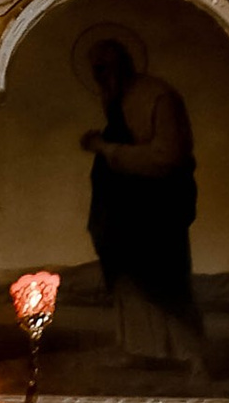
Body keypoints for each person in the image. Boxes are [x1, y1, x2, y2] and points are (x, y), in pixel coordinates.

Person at [81, 31, 205, 372]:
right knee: (128, 281)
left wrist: (105, 148)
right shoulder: (115, 101)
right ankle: (137, 347)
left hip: (155, 209)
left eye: (105, 69)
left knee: (164, 279)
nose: (101, 78)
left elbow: (167, 156)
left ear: (123, 64)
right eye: (96, 72)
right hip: (122, 212)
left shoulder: (158, 97)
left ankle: (192, 356)